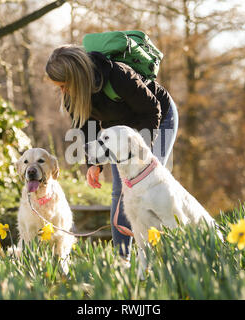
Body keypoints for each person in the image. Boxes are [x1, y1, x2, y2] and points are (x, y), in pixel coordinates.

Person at [45, 44, 179, 261]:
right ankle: (123, 260)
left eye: (64, 85)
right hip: (121, 131)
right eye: (59, 87)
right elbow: (87, 129)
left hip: (158, 119)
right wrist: (94, 165)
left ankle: (163, 253)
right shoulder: (71, 96)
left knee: (151, 184)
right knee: (121, 190)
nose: (63, 92)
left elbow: (151, 110)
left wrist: (141, 154)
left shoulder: (117, 75)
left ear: (77, 76)